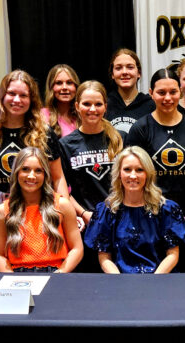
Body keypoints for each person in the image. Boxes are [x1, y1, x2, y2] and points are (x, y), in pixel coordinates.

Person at [125, 68, 185, 272]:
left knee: (182, 272)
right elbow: (131, 176)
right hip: (149, 213)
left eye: (173, 92)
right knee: (151, 272)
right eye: (161, 92)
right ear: (151, 93)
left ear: (180, 91)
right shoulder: (140, 129)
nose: (168, 98)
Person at [0, 70, 65, 222]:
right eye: (11, 93)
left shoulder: (45, 133)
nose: (17, 100)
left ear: (31, 100)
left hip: (40, 207)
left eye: (23, 95)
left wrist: (63, 211)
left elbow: (58, 178)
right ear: (2, 96)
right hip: (2, 208)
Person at [83, 147, 185, 274]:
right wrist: (120, 281)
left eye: (139, 170)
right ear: (119, 173)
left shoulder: (166, 209)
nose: (133, 175)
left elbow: (172, 255)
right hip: (119, 279)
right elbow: (104, 258)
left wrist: (153, 280)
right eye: (127, 169)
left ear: (148, 174)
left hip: (159, 278)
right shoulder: (107, 211)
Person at [59, 80, 123, 272]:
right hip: (84, 223)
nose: (92, 109)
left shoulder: (119, 139)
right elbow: (62, 189)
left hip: (119, 220)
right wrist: (83, 214)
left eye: (98, 104)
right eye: (86, 104)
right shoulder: (66, 144)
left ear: (105, 107)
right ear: (77, 106)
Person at [0, 147, 82, 273]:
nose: (31, 176)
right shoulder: (2, 211)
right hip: (17, 276)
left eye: (38, 170)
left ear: (45, 175)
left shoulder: (62, 205)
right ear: (16, 172)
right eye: (25, 169)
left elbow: (77, 249)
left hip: (57, 273)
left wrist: (60, 274)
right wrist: (13, 280)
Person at [106, 49, 155, 135]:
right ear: (112, 74)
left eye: (130, 67)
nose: (124, 72)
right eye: (118, 68)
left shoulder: (151, 105)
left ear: (139, 73)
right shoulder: (104, 105)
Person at [42, 64, 81, 137]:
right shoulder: (42, 116)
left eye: (69, 83)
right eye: (59, 83)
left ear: (76, 87)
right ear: (51, 87)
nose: (64, 87)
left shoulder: (83, 116)